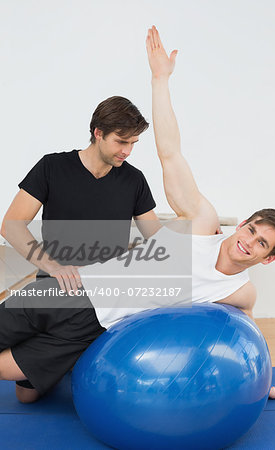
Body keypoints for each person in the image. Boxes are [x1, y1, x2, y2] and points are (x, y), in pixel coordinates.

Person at [79, 26, 275, 400]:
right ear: (242, 224)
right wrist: (160, 79)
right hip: (82, 288)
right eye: (252, 230)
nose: (249, 242)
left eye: (262, 244)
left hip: (104, 327)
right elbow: (170, 154)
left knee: (19, 377)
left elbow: (245, 338)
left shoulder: (241, 292)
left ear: (268, 258)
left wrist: (261, 382)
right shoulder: (201, 224)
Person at [0, 96, 160, 403]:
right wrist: (55, 266)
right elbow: (12, 226)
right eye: (121, 141)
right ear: (98, 132)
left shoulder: (134, 180)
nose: (127, 151)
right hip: (52, 290)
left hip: (95, 302)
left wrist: (202, 240)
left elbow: (158, 238)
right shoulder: (52, 167)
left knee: (26, 396)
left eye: (134, 143)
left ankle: (58, 358)